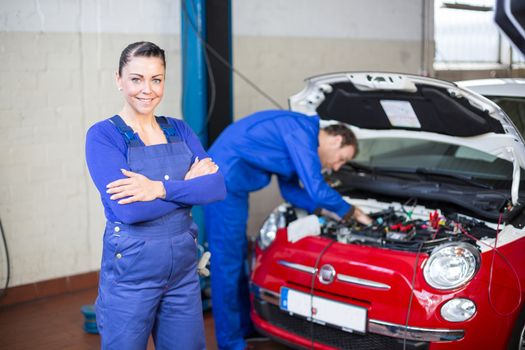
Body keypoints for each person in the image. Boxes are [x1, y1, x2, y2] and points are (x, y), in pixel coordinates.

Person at [85, 41, 225, 350]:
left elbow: (216, 188)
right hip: (131, 273)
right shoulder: (103, 135)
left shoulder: (179, 129)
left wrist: (157, 189)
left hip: (184, 274)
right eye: (136, 79)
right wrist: (188, 186)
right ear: (118, 80)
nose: (147, 89)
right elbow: (129, 211)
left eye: (156, 79)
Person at [203, 110, 372, 350]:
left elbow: (290, 191)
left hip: (232, 186)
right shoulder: (302, 132)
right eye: (342, 158)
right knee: (226, 264)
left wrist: (324, 211)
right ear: (336, 140)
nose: (337, 167)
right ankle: (230, 342)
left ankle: (243, 326)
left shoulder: (299, 138)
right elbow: (315, 187)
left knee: (237, 258)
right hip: (221, 183)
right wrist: (351, 211)